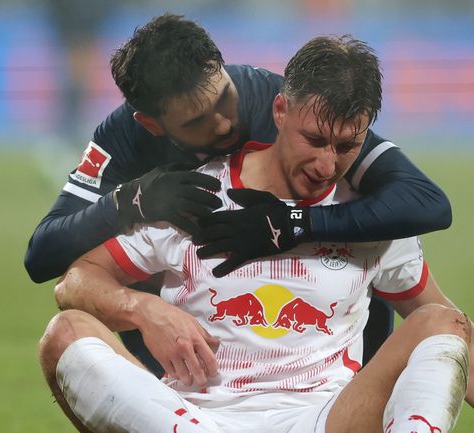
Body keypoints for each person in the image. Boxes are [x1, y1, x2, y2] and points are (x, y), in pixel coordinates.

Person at [39, 35, 474, 433]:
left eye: (346, 146)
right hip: (202, 419)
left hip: (326, 418)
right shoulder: (193, 196)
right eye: (314, 140)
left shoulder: (372, 218)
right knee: (66, 334)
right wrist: (142, 309)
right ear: (279, 111)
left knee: (440, 324)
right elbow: (73, 281)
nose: (326, 165)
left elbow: (451, 326)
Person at [24, 12, 449, 374]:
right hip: (192, 330)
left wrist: (296, 224)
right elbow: (42, 255)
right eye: (197, 122)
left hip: (323, 312)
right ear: (152, 124)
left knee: (365, 245)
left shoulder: (281, 104)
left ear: (222, 67)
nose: (224, 123)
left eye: (224, 98)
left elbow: (426, 202)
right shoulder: (123, 138)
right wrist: (130, 201)